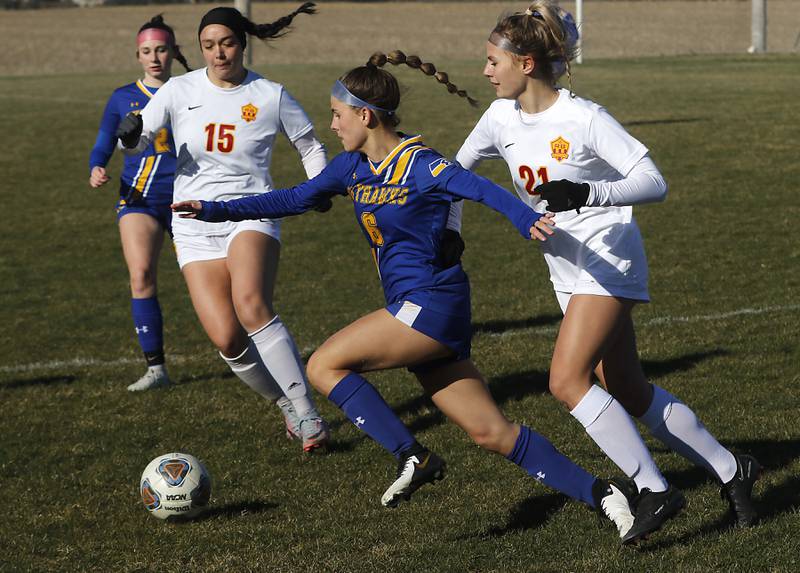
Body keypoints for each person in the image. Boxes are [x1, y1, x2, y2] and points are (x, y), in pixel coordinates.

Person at [172, 51, 640, 540]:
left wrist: (526, 220)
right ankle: (607, 496)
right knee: (491, 433)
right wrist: (213, 210)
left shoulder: (422, 165)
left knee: (324, 365)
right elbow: (291, 199)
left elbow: (482, 188)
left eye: (337, 114)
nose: (331, 125)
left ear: (365, 115)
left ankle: (412, 455)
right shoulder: (351, 169)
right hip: (417, 310)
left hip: (434, 304)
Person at [453, 0, 761, 544]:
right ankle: (733, 469)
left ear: (525, 63)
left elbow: (653, 180)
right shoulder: (499, 117)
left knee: (565, 381)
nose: (484, 71)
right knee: (624, 385)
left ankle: (654, 488)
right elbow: (455, 174)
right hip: (566, 268)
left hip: (609, 258)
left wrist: (588, 191)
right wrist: (449, 231)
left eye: (492, 60)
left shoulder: (584, 118)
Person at [115, 4, 330, 453]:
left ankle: (307, 409)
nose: (218, 53)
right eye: (209, 46)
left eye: (227, 43)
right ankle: (285, 404)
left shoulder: (270, 94)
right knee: (227, 338)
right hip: (193, 220)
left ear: (242, 44)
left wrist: (317, 189)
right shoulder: (178, 89)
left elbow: (310, 145)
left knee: (251, 304)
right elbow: (133, 140)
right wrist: (128, 131)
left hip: (251, 211)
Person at [89, 15, 192, 392]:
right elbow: (104, 139)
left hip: (189, 199)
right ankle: (156, 369)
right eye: (147, 51)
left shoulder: (191, 90)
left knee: (208, 282)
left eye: (162, 49)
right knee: (141, 274)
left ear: (173, 53)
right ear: (137, 55)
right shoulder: (122, 97)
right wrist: (97, 165)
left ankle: (240, 351)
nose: (154, 58)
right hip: (140, 197)